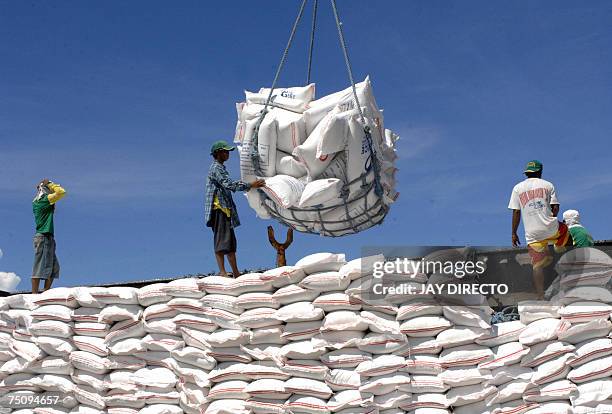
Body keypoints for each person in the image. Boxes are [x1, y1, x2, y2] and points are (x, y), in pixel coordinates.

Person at [508, 160, 570, 298]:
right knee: (566, 229)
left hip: (532, 233)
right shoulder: (548, 185)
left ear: (527, 173)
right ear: (540, 172)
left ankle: (540, 295)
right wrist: (551, 218)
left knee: (536, 265)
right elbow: (555, 207)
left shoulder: (517, 188)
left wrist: (513, 233)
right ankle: (562, 252)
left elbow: (516, 212)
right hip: (550, 227)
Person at [205, 140, 265, 277]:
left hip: (225, 209)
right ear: (217, 153)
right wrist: (250, 185)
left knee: (230, 243)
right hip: (219, 208)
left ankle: (236, 271)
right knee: (221, 240)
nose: (227, 154)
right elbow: (229, 185)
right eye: (225, 151)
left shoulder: (221, 168)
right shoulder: (216, 169)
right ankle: (222, 271)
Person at [32, 179, 66, 293]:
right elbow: (61, 192)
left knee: (53, 268)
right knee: (39, 267)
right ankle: (34, 295)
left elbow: (53, 207)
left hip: (48, 238)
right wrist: (50, 184)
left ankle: (46, 292)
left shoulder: (37, 202)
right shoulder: (44, 200)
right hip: (43, 237)